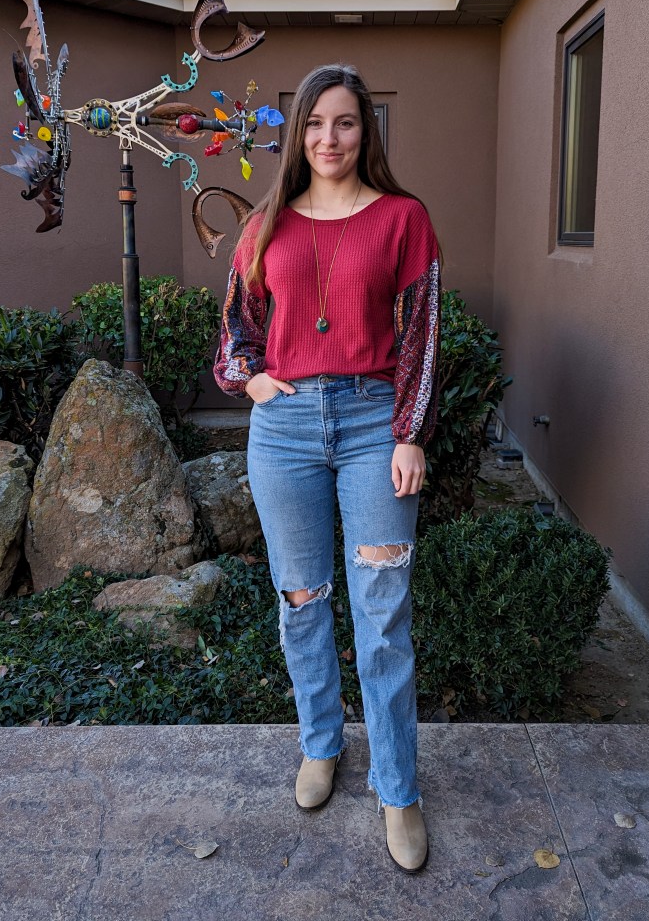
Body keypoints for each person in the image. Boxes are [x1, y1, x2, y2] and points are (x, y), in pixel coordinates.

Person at [213, 63, 440, 873]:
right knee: (301, 600)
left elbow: (420, 336)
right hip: (283, 432)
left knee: (382, 612)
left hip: (374, 424)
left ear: (364, 132)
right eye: (315, 124)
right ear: (296, 134)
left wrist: (409, 431)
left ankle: (396, 789)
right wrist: (253, 379)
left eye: (344, 123)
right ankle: (319, 745)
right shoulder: (264, 223)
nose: (328, 138)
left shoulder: (403, 219)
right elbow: (233, 338)